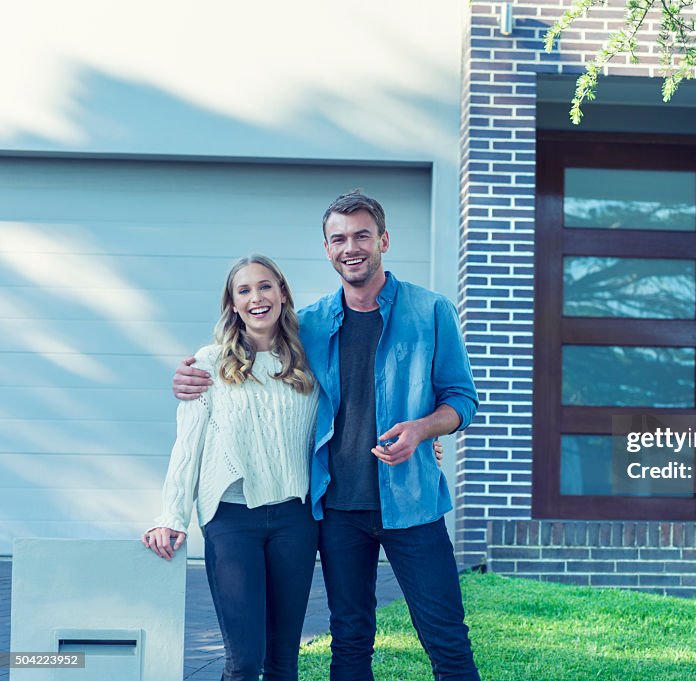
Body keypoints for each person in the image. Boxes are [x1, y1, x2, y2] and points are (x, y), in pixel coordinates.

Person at [173, 191, 481, 681]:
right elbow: (251, 357)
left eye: (362, 235)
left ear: (383, 239)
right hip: (337, 511)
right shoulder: (310, 325)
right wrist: (192, 375)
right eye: (339, 238)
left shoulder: (432, 311)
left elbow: (462, 400)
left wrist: (423, 430)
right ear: (327, 248)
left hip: (413, 502)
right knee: (350, 640)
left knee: (446, 638)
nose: (351, 247)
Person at [144, 254, 320, 681]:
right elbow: (188, 445)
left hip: (295, 520)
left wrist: (426, 443)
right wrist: (172, 516)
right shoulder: (209, 363)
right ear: (234, 304)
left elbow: (353, 414)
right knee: (243, 661)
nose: (256, 297)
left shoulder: (309, 362)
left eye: (265, 286)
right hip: (231, 519)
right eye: (244, 290)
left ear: (282, 293)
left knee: (284, 661)